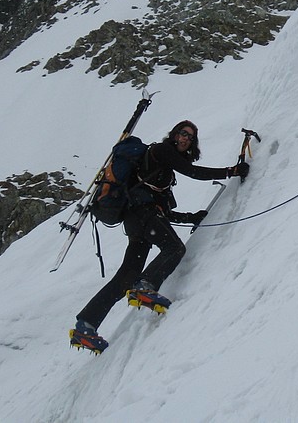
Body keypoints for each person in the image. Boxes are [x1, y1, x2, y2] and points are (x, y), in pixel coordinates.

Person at [70, 120, 249, 353]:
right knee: (175, 248)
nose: (186, 139)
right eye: (183, 133)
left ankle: (85, 325)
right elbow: (193, 172)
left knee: (126, 275)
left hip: (137, 220)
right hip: (142, 214)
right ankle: (145, 286)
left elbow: (164, 212)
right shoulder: (161, 151)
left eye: (191, 137)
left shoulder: (161, 170)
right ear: (174, 134)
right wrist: (231, 171)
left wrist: (190, 217)